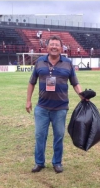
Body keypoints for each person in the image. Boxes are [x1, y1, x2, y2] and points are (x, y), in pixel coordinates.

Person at [26, 35, 84, 174]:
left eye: (57, 45)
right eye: (52, 44)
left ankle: (57, 162)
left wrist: (82, 95)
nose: (54, 47)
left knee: (59, 136)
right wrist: (28, 100)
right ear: (47, 47)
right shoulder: (39, 62)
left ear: (61, 47)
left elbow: (75, 83)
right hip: (42, 108)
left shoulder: (68, 63)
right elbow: (31, 82)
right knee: (40, 136)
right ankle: (39, 163)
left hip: (60, 108)